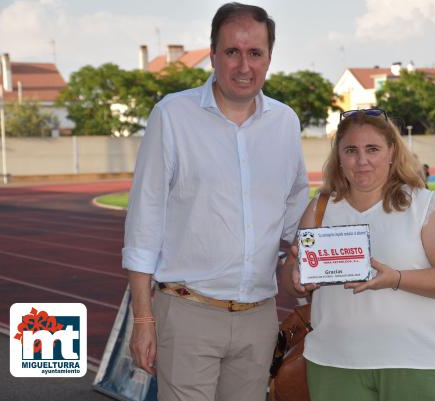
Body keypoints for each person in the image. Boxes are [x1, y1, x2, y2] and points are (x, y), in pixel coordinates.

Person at [122, 4, 309, 401]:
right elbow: (144, 222)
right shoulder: (172, 115)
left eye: (255, 53)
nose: (244, 65)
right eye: (232, 52)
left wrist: (304, 259)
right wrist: (143, 318)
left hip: (258, 316)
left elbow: (295, 208)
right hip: (188, 313)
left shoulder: (286, 123)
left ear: (269, 58)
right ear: (212, 55)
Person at [281, 109, 435, 401]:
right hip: (335, 362)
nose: (362, 161)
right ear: (339, 156)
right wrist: (296, 277)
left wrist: (395, 279)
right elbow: (293, 274)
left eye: (373, 149)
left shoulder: (424, 206)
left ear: (392, 152)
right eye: (351, 150)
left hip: (417, 362)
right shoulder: (321, 207)